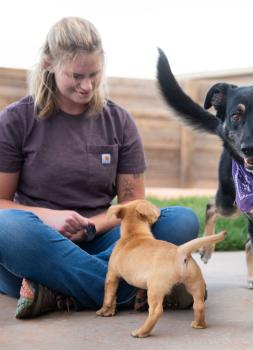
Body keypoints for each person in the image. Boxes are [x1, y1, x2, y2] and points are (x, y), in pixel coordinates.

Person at [0, 17, 199, 318]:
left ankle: (52, 291)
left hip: (106, 239)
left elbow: (135, 208)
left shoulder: (119, 121)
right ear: (48, 64)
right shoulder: (16, 120)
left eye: (94, 74)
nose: (87, 85)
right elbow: (2, 204)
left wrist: (91, 226)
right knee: (7, 229)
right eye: (76, 75)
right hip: (41, 240)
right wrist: (53, 219)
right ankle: (138, 287)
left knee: (181, 220)